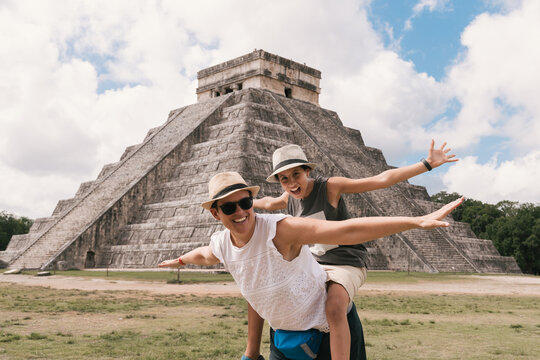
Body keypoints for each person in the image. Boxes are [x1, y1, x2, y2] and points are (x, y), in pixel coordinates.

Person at [158, 171, 463, 360]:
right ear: (216, 214)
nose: (240, 212)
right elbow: (205, 254)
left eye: (246, 203)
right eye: (228, 207)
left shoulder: (282, 229)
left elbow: (347, 231)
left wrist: (415, 221)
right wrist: (181, 260)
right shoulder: (223, 243)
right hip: (284, 339)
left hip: (326, 333)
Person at [250, 141, 458, 359]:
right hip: (314, 264)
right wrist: (244, 204)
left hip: (345, 262)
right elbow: (268, 203)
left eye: (296, 174)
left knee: (334, 306)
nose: (292, 183)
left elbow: (379, 180)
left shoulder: (329, 187)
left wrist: (426, 164)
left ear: (307, 171)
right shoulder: (288, 199)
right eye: (284, 179)